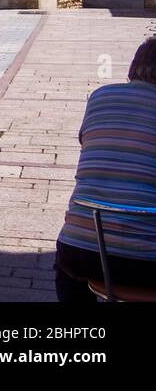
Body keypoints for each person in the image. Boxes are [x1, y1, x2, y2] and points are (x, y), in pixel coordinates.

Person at [56, 35, 156, 301]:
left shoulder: (101, 96)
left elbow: (86, 142)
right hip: (147, 261)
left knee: (67, 267)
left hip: (82, 248)